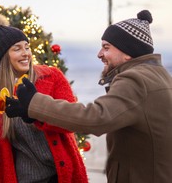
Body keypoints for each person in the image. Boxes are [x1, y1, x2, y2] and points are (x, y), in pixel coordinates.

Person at [11, 10, 172, 183]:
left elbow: (95, 118)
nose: (99, 54)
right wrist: (33, 113)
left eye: (106, 47)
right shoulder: (159, 76)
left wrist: (35, 102)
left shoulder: (135, 80)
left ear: (127, 52)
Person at [0, 13, 88, 183]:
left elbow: (70, 123)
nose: (26, 54)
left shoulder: (52, 77)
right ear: (3, 58)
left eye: (27, 47)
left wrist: (34, 113)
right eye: (17, 49)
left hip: (61, 176)